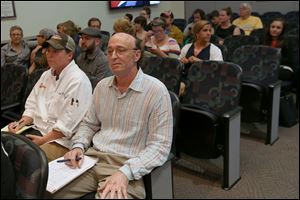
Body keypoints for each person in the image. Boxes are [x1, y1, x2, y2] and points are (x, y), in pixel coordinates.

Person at [52, 32, 173, 199]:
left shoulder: (156, 92)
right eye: (109, 51)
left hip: (126, 164)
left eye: (120, 50)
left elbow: (160, 146)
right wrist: (78, 146)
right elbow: (89, 124)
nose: (113, 56)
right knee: (43, 187)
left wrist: (126, 172)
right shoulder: (102, 87)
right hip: (92, 159)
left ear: (137, 55)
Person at [8, 34, 93, 162]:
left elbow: (66, 127)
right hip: (36, 130)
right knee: (5, 145)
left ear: (70, 55)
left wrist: (42, 141)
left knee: (23, 158)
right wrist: (21, 123)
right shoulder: (46, 75)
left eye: (56, 51)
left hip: (59, 141)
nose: (49, 54)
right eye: (48, 50)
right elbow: (32, 104)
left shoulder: (78, 81)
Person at [179, 20, 223, 96]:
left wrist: (200, 62)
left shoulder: (215, 50)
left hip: (204, 81)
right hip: (186, 78)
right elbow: (178, 66)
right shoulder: (187, 47)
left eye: (209, 30)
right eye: (205, 30)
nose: (209, 33)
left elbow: (218, 71)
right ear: (197, 33)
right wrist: (182, 61)